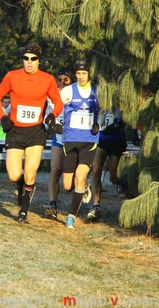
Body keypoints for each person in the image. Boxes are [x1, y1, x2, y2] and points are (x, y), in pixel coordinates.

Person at [0, 43, 63, 224]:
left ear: (39, 61)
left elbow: (58, 102)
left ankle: (23, 212)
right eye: (26, 58)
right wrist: (3, 117)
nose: (29, 62)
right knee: (14, 175)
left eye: (33, 59)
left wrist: (52, 115)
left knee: (30, 173)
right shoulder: (12, 76)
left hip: (35, 132)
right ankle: (20, 185)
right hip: (15, 130)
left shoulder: (47, 79)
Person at [60, 59, 100, 229]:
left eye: (84, 73)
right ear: (75, 74)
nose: (81, 77)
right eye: (78, 74)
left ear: (89, 74)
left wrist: (99, 123)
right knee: (67, 185)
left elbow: (105, 109)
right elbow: (55, 107)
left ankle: (71, 217)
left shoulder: (97, 91)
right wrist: (54, 122)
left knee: (80, 176)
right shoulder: (69, 90)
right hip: (70, 139)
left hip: (89, 140)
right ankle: (83, 187)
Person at [87, 109, 126, 221]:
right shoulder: (100, 98)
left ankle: (124, 185)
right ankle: (96, 206)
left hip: (117, 141)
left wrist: (116, 125)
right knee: (96, 170)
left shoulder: (120, 99)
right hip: (101, 139)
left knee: (113, 178)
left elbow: (127, 117)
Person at [44, 67, 72, 220]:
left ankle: (82, 185)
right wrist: (45, 126)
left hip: (74, 137)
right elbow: (49, 113)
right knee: (55, 170)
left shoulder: (75, 92)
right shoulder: (52, 94)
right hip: (58, 137)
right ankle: (52, 204)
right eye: (59, 79)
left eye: (65, 80)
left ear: (71, 81)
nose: (62, 83)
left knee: (69, 181)